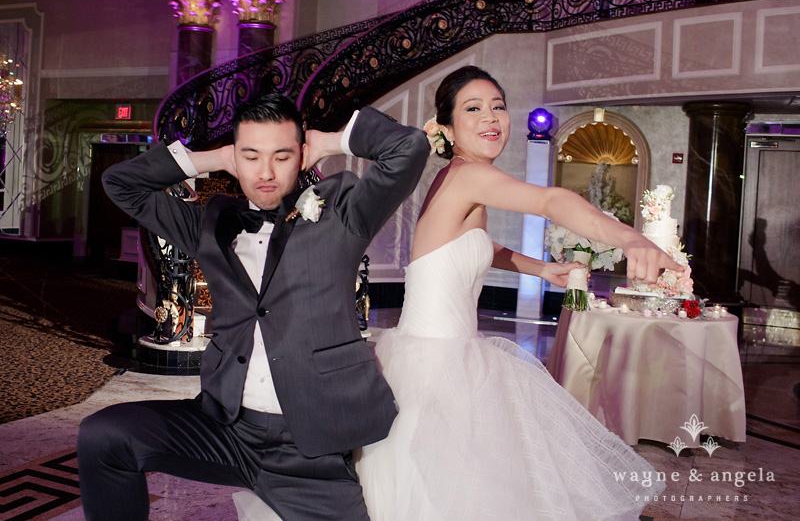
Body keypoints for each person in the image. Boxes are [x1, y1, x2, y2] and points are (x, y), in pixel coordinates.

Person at [77, 94, 429, 520]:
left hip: (309, 451)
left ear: (301, 156)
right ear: (236, 160)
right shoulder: (210, 224)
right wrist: (215, 156)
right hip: (225, 428)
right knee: (105, 436)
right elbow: (120, 182)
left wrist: (331, 142)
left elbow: (409, 147)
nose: (265, 172)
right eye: (251, 156)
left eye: (282, 156)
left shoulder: (343, 214)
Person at [351, 66, 681, 520]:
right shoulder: (468, 177)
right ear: (445, 128)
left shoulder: (459, 177)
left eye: (498, 106)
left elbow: (476, 244)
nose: (491, 118)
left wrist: (542, 268)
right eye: (473, 109)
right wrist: (629, 238)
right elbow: (550, 202)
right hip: (435, 367)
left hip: (445, 355)